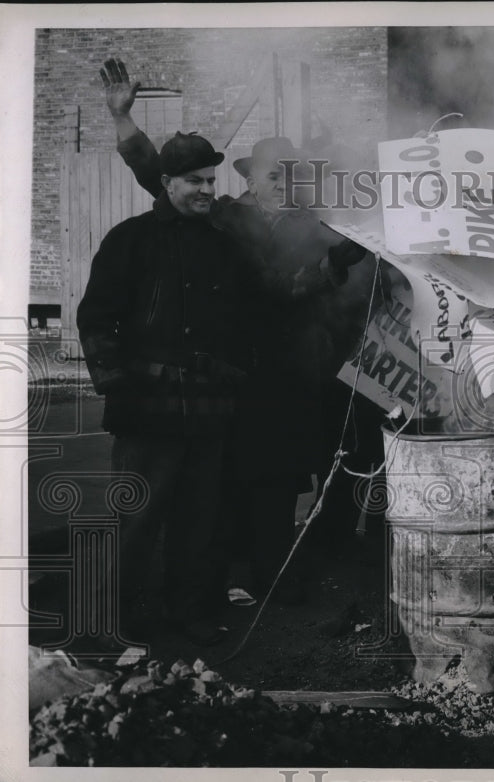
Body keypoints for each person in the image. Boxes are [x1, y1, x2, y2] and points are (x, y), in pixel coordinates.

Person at [99, 58, 383, 604]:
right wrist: (124, 123)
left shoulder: (315, 225)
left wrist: (343, 264)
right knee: (220, 481)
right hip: (232, 372)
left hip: (295, 370)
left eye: (291, 174)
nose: (284, 182)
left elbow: (317, 287)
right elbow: (159, 174)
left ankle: (272, 575)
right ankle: (214, 582)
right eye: (274, 173)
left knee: (282, 478)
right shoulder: (224, 217)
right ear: (250, 177)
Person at [77, 132, 251, 647]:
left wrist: (237, 373)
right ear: (166, 182)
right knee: (136, 521)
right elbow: (96, 318)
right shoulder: (130, 239)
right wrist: (115, 385)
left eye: (210, 180)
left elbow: (243, 320)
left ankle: (187, 615)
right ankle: (119, 623)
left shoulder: (223, 246)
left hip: (208, 411)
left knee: (198, 524)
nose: (206, 189)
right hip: (146, 409)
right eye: (194, 181)